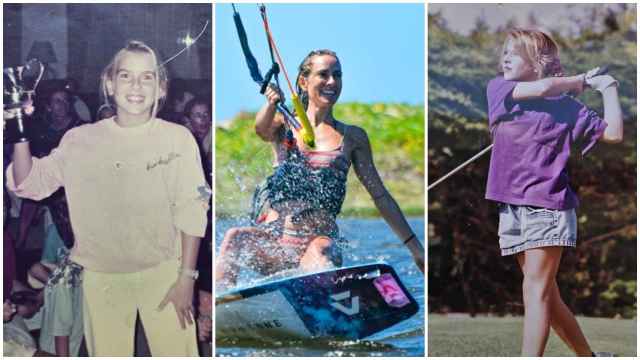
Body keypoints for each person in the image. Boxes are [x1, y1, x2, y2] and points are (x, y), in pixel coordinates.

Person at [5, 40, 210, 356]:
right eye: (126, 76)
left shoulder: (177, 139)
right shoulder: (80, 140)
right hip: (103, 278)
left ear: (160, 88)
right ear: (110, 84)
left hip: (166, 272)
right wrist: (18, 128)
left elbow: (192, 210)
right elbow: (29, 183)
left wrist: (186, 280)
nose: (137, 86)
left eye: (147, 77)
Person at [216, 49, 424, 290]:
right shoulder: (284, 124)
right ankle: (221, 307)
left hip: (315, 246)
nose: (332, 82)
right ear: (304, 82)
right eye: (323, 74)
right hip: (274, 246)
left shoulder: (353, 137)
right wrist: (271, 103)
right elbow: (261, 130)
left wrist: (416, 249)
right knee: (235, 237)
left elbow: (380, 196)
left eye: (337, 75)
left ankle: (326, 303)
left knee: (322, 249)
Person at [485, 29, 623, 356]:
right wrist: (581, 81)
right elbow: (546, 86)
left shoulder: (566, 107)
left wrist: (609, 90)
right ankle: (589, 357)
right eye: (504, 51)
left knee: (536, 292)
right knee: (548, 296)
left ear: (538, 63)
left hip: (548, 205)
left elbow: (614, 134)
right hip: (512, 206)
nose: (505, 57)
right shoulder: (498, 87)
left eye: (514, 53)